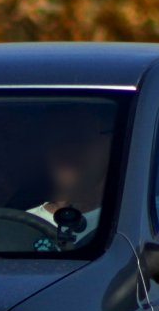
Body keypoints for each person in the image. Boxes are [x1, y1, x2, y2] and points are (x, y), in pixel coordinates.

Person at [26, 105, 115, 246]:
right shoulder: (22, 225)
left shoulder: (134, 222)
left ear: (111, 143)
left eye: (80, 137)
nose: (67, 149)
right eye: (56, 138)